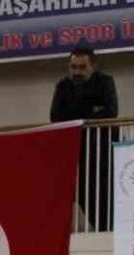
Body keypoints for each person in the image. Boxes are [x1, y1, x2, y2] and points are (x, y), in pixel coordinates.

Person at [50, 43, 119, 232]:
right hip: (74, 153)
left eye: (82, 67)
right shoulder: (63, 86)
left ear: (93, 66)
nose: (77, 72)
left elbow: (111, 111)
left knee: (103, 200)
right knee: (77, 196)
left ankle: (107, 231)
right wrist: (91, 113)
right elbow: (55, 117)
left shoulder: (105, 82)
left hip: (101, 155)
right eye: (73, 67)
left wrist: (77, 116)